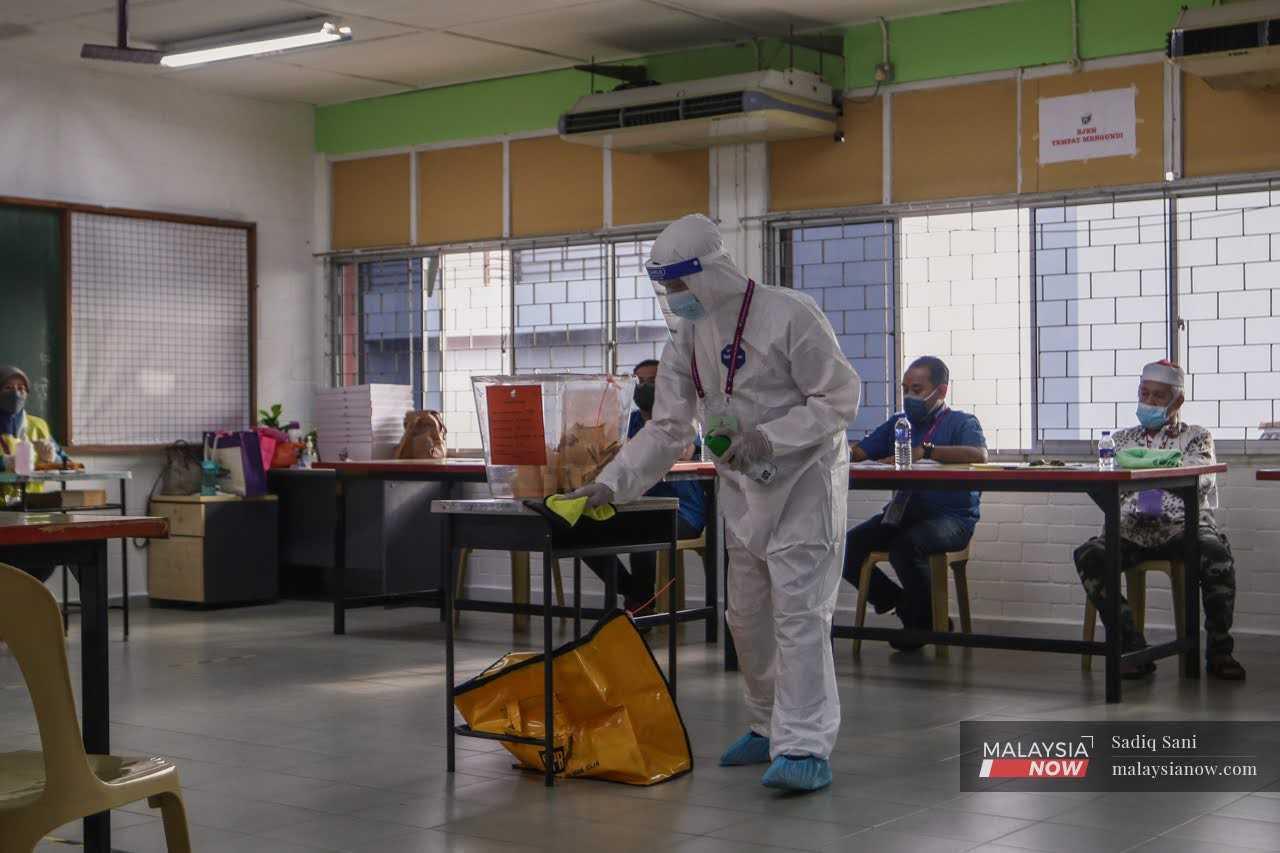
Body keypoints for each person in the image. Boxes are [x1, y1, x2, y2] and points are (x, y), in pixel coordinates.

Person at [570, 214, 860, 792]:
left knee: (800, 615)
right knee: (746, 617)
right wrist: (612, 483)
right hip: (743, 488)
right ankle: (765, 723)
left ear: (712, 272)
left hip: (803, 481)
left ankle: (804, 745)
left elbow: (841, 397)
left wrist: (771, 436)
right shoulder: (685, 338)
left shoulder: (790, 315)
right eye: (666, 287)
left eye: (680, 284)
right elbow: (668, 428)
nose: (674, 298)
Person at [1072, 360, 1245, 681]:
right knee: (1089, 555)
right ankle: (1134, 646)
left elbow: (1199, 483)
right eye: (1144, 393)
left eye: (1157, 396)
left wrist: (1141, 477)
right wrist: (1162, 471)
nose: (1148, 402)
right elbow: (1109, 485)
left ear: (1177, 401)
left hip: (1184, 526)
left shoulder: (1197, 437)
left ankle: (1220, 651)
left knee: (1217, 555)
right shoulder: (1120, 440)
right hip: (1131, 528)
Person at [843, 357, 987, 650]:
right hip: (905, 513)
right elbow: (859, 453)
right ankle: (910, 609)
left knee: (906, 547)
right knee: (846, 548)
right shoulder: (899, 423)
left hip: (951, 518)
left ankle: (922, 624)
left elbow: (978, 454)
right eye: (905, 389)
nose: (910, 396)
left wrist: (927, 451)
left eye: (917, 389)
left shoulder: (962, 422)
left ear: (941, 391)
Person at [583, 360, 707, 612]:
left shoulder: (681, 421)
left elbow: (683, 449)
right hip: (638, 508)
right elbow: (607, 450)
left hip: (681, 513)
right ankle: (632, 591)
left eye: (653, 381)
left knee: (645, 532)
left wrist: (634, 450)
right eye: (639, 382)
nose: (645, 387)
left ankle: (641, 606)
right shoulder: (630, 422)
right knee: (583, 530)